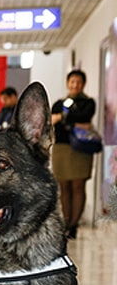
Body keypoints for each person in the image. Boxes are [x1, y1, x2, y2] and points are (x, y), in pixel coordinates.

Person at [50, 70, 97, 238]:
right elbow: (51, 119)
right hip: (61, 148)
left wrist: (61, 118)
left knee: (78, 186)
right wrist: (76, 121)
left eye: (78, 82)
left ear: (83, 84)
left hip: (80, 149)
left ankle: (73, 225)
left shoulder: (88, 102)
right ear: (67, 83)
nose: (75, 85)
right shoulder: (59, 102)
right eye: (72, 82)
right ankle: (66, 223)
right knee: (64, 187)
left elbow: (85, 115)